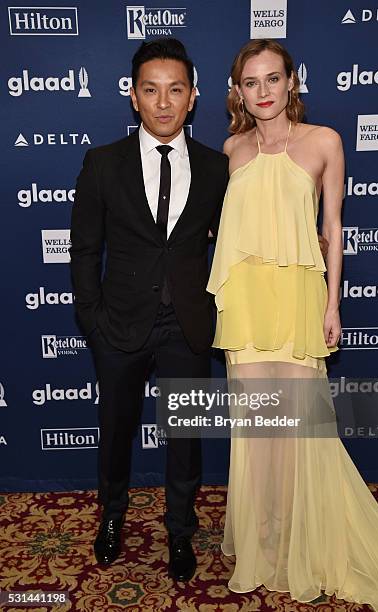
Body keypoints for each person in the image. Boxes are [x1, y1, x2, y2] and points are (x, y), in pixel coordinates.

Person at [207, 39, 378, 610]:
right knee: (258, 428)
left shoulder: (325, 142)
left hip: (298, 297)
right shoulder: (232, 151)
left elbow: (334, 227)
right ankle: (264, 537)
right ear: (237, 91)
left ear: (291, 82)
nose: (263, 91)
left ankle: (302, 536)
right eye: (251, 82)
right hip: (244, 302)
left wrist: (332, 304)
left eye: (273, 79)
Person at [69, 38, 229, 581]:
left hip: (186, 325)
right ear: (134, 97)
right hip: (118, 324)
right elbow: (86, 249)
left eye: (175, 90)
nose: (163, 102)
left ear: (193, 98)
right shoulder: (102, 162)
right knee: (115, 431)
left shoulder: (216, 167)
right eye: (151, 90)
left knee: (185, 438)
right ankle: (111, 519)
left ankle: (180, 532)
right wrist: (91, 319)